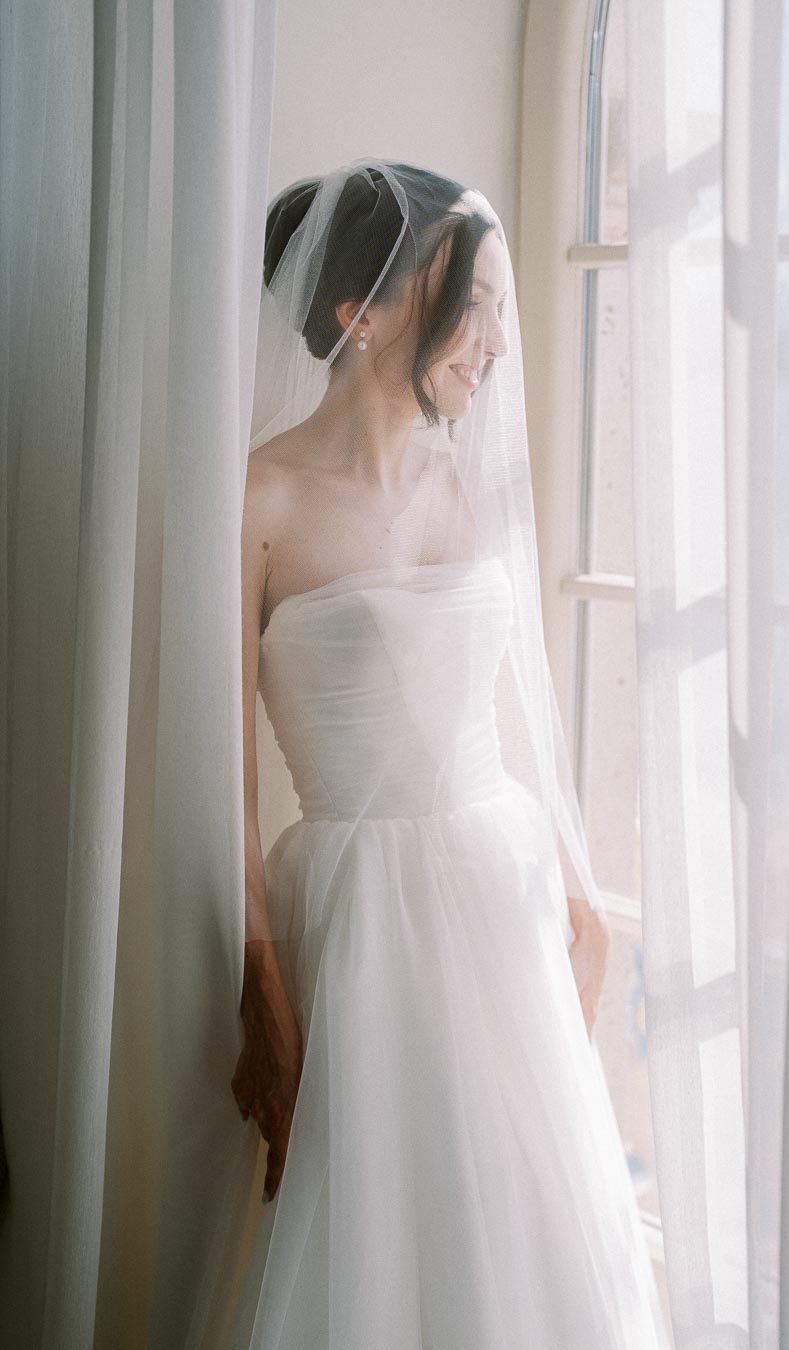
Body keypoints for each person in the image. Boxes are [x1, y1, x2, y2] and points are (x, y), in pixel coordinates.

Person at [228, 159, 668, 1348]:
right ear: (356, 315)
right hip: (364, 912)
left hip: (501, 891)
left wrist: (577, 884)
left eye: (495, 309)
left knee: (531, 1229)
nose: (493, 343)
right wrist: (262, 982)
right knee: (383, 1226)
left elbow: (515, 707)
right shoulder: (257, 500)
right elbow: (216, 778)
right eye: (464, 305)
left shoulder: (472, 490)